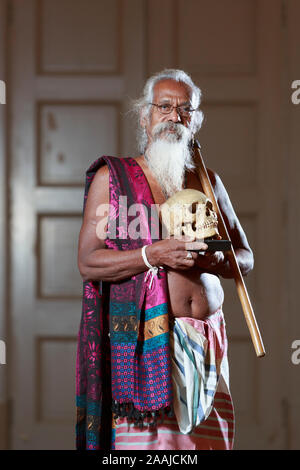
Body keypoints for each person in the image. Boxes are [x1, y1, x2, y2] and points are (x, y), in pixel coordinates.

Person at [76, 69, 254, 450]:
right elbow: (89, 261)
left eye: (185, 110)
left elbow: (245, 257)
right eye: (165, 107)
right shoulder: (114, 178)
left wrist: (205, 257)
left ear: (196, 121)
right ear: (145, 116)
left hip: (208, 343)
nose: (175, 117)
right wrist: (152, 254)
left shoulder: (206, 180)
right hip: (145, 346)